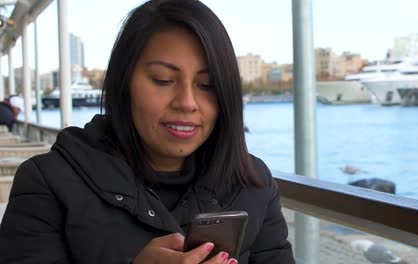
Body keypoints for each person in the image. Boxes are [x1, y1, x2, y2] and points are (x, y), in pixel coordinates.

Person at [0, 0, 295, 263]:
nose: (187, 103)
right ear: (123, 82)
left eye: (207, 85)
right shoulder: (47, 182)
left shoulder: (252, 182)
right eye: (163, 79)